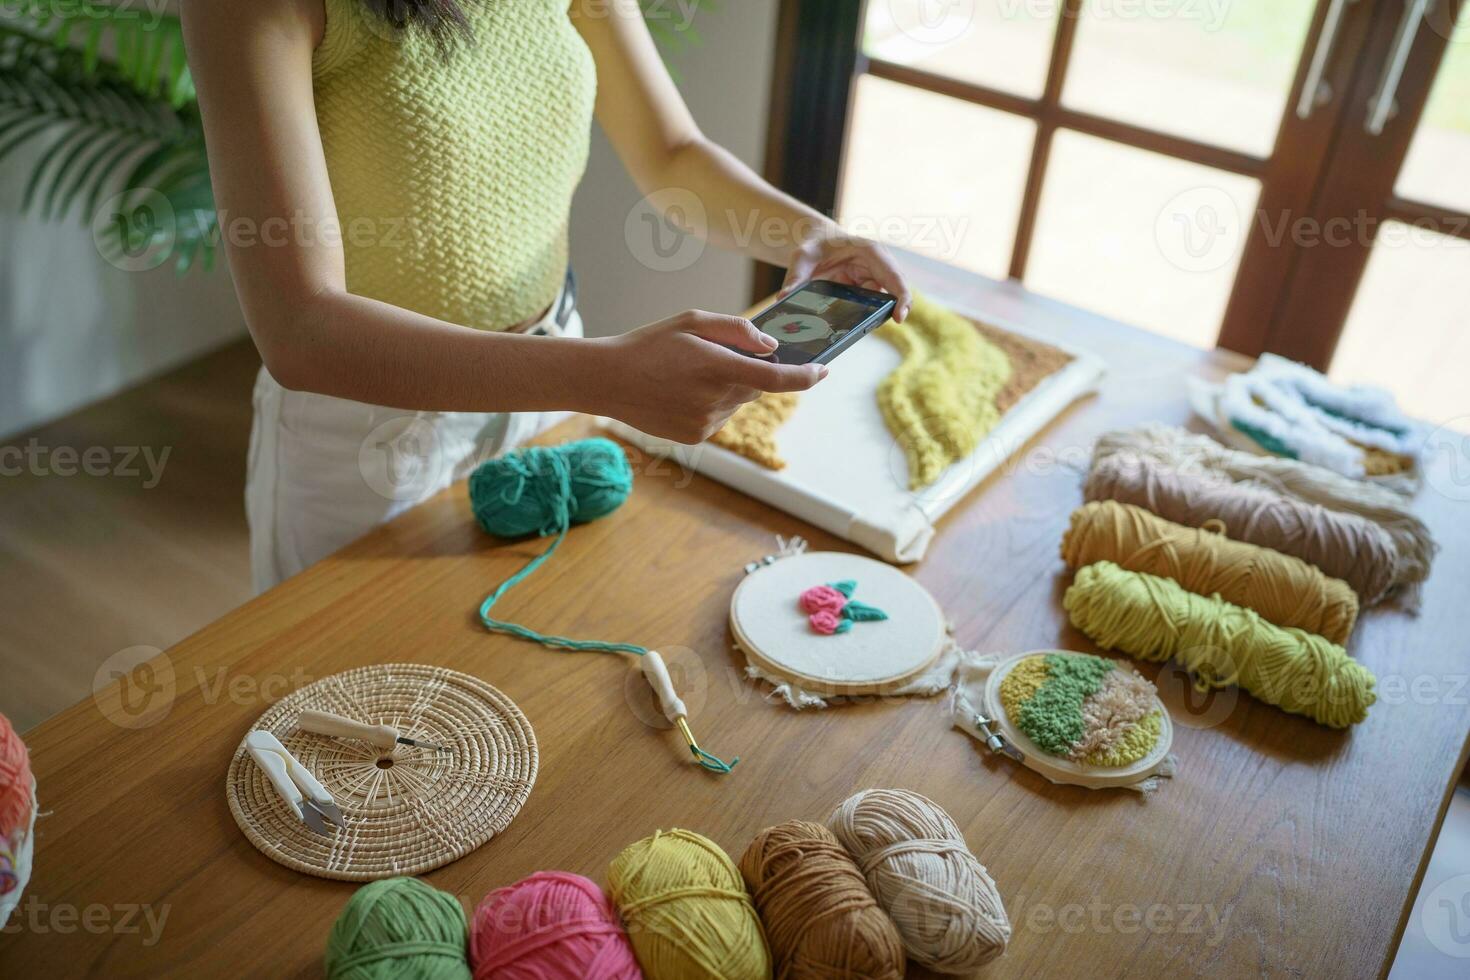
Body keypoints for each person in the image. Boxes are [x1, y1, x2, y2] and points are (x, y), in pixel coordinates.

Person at [182, 0, 911, 591]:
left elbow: (669, 154)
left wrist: (809, 235)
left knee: (535, 690)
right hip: (374, 438)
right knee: (361, 725)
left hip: (554, 385)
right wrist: (611, 377)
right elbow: (300, 329)